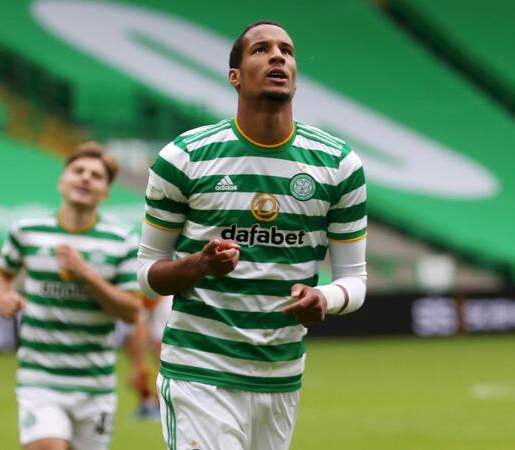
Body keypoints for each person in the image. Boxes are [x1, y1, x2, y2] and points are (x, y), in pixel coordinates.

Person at [137, 21, 368, 450]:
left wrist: (327, 298)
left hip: (280, 376)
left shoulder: (339, 165)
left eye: (287, 50)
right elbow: (147, 273)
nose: (278, 56)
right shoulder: (184, 158)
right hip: (199, 372)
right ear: (235, 76)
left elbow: (355, 280)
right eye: (261, 49)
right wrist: (199, 265)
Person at [0, 142, 143, 450]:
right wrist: (4, 295)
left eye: (96, 176)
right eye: (78, 171)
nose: (86, 178)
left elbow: (131, 311)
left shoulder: (122, 241)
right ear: (62, 181)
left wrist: (87, 275)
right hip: (40, 379)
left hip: (95, 385)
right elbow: (1, 272)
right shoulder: (27, 231)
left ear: (105, 193)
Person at [113, 295, 172, 420]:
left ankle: (165, 404)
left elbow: (139, 319)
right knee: (141, 352)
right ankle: (149, 402)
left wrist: (138, 364)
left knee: (160, 352)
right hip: (148, 305)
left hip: (162, 299)